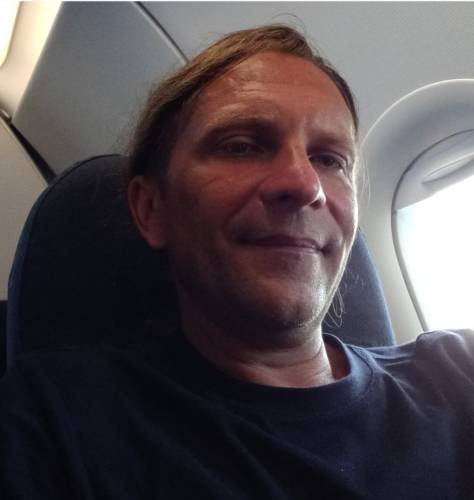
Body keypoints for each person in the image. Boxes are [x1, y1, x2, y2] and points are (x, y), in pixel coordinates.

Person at [1, 25, 474, 499]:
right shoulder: (54, 423)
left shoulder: (457, 371)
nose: (304, 185)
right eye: (242, 146)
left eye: (330, 159)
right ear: (151, 209)